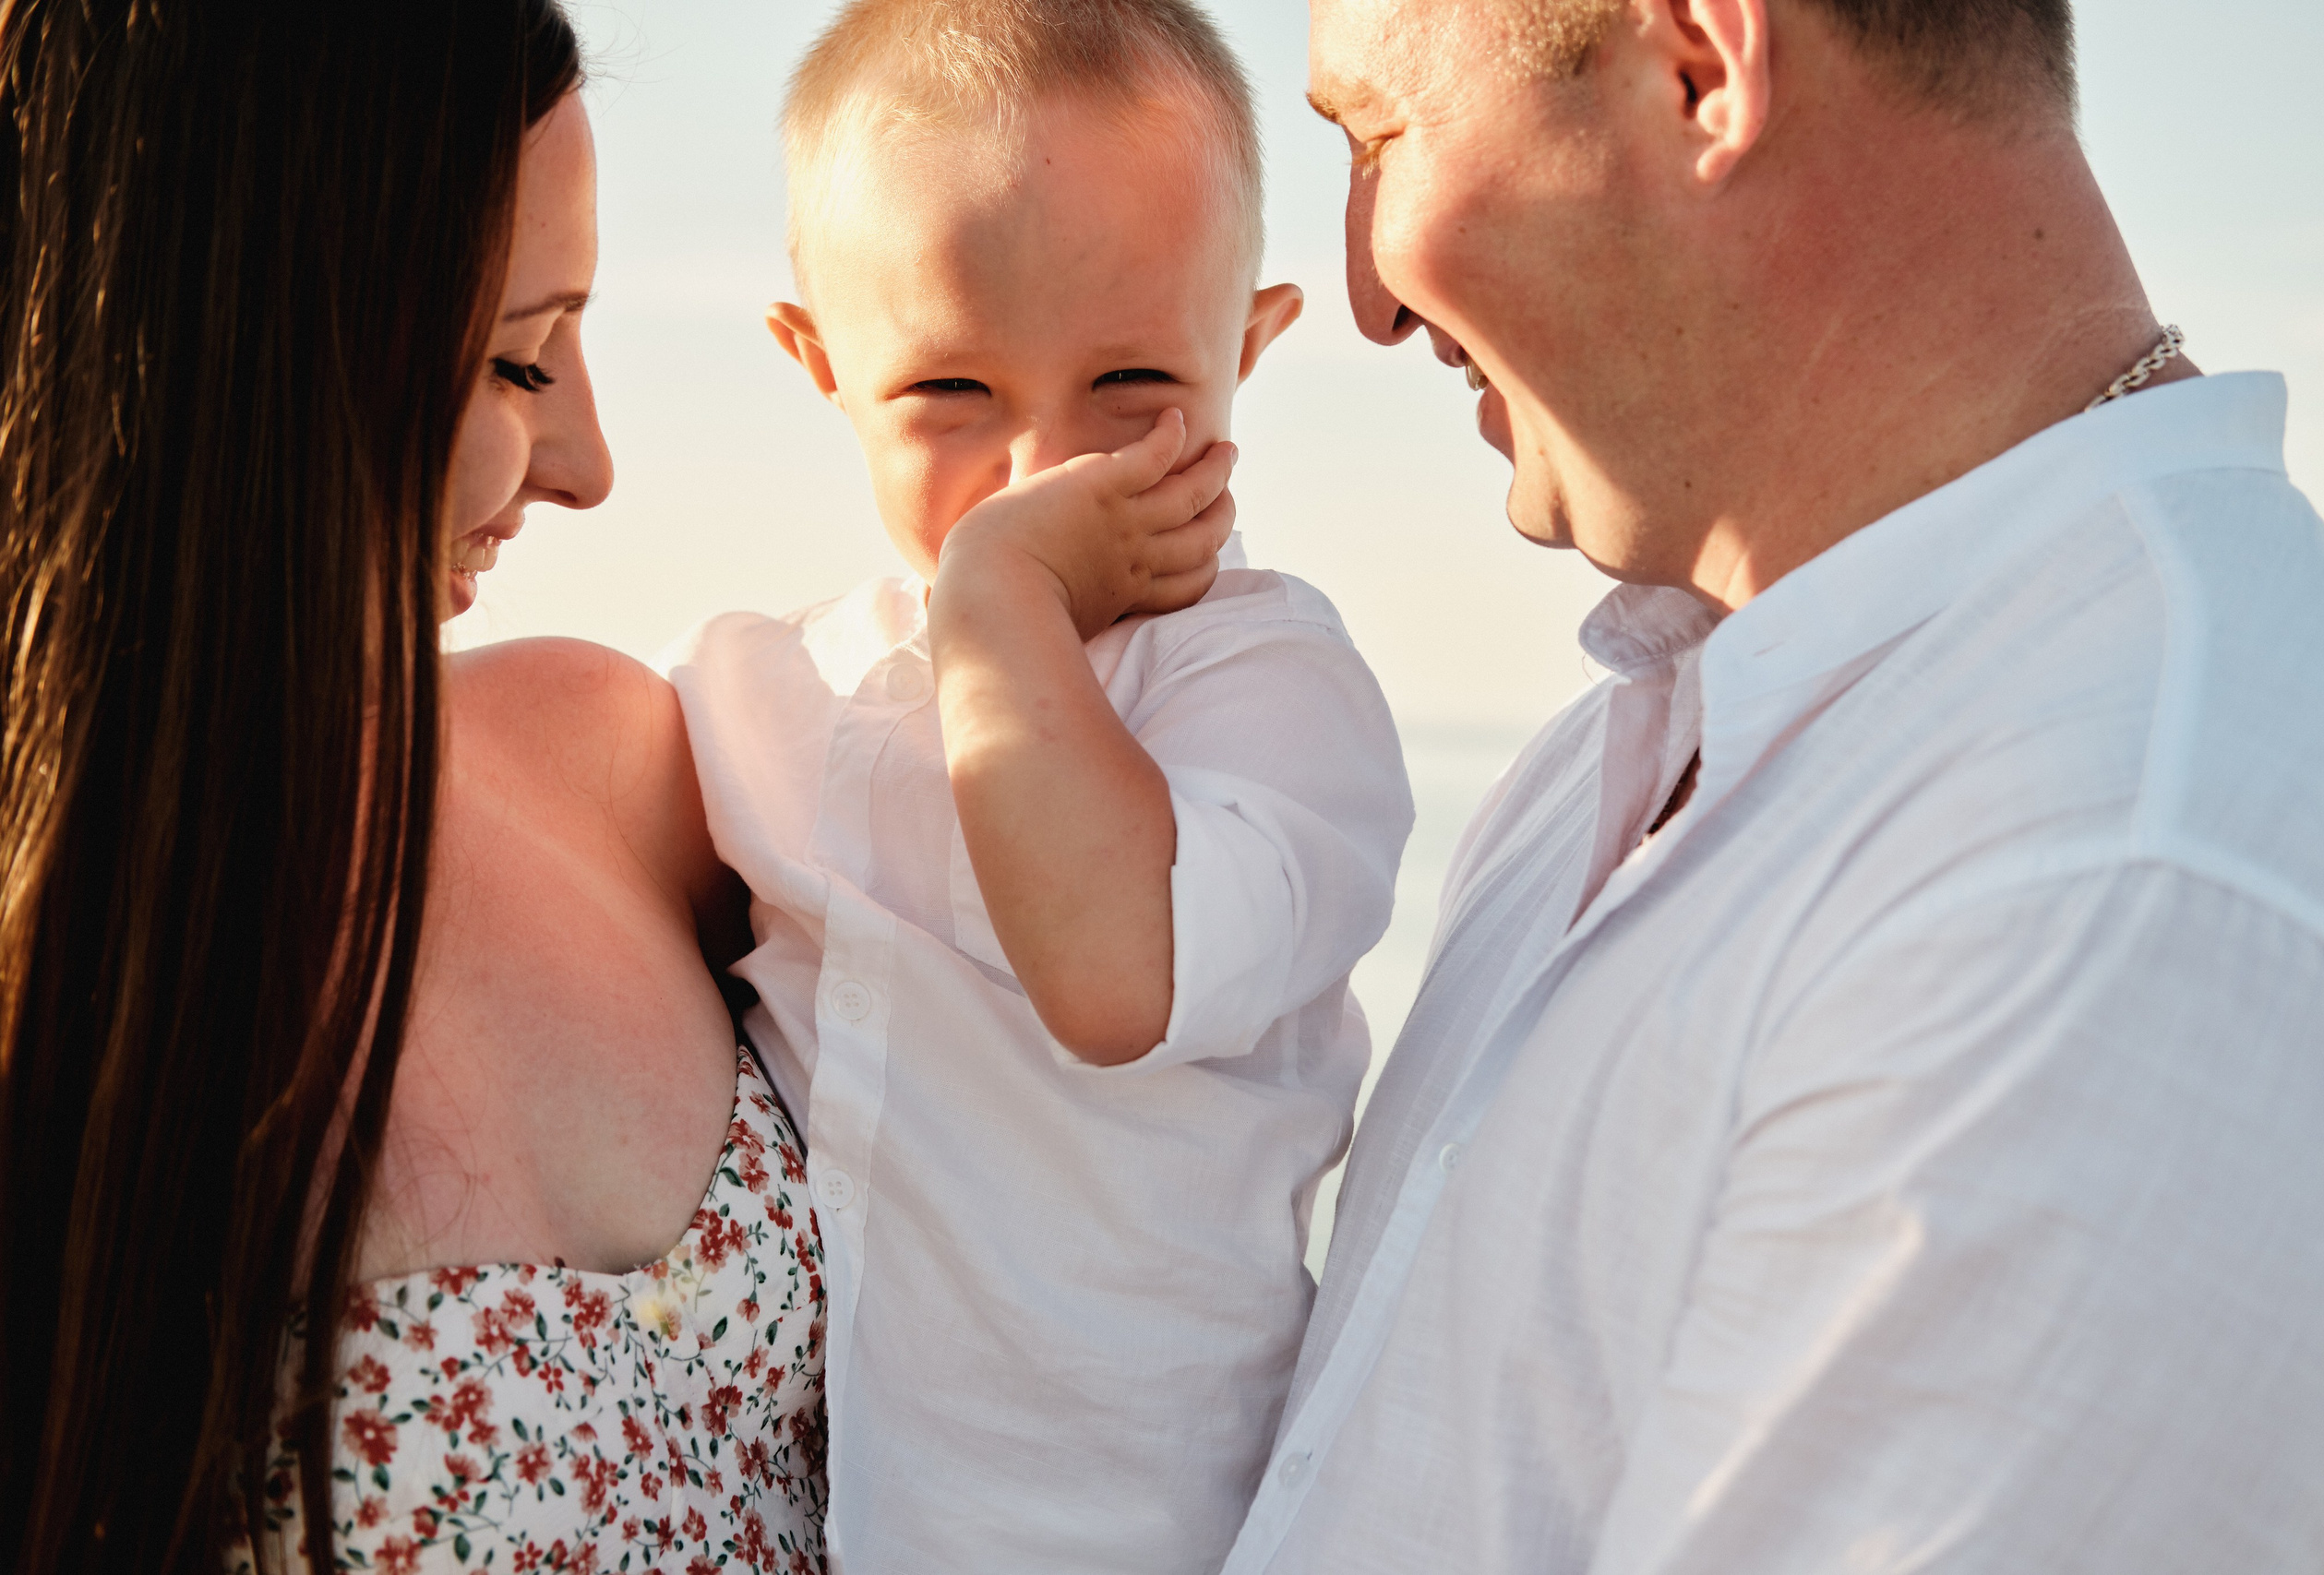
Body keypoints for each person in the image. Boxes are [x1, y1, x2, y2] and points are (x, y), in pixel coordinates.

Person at [1219, 1, 2324, 1571]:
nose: (1365, 297)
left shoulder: (2111, 878)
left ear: (1700, 69)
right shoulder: (1613, 761)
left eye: (1375, 137)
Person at [1, 6, 824, 1572]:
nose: (588, 464)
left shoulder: (617, 766)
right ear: (247, 349)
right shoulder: (57, 992)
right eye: (520, 359)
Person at [665, 1, 1414, 1568]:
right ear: (822, 364)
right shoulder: (759, 692)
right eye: (952, 393)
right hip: (807, 1524)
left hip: (1150, 1536)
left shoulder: (1267, 688)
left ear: (1249, 346)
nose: (1042, 475)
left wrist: (999, 598)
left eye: (1130, 381)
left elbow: (1113, 977)